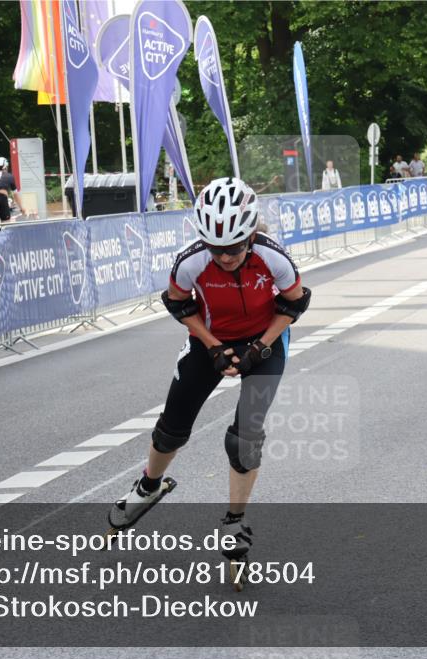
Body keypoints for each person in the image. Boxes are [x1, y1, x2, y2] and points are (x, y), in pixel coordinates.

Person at [108, 176, 311, 571]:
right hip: (210, 338)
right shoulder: (191, 260)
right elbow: (179, 305)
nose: (226, 257)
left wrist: (259, 348)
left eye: (234, 247)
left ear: (250, 234)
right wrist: (214, 346)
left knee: (245, 440)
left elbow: (295, 305)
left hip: (265, 339)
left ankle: (234, 522)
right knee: (172, 428)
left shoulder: (274, 258)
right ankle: (149, 486)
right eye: (217, 248)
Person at [0, 157, 24, 223]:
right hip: (1, 198)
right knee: (6, 223)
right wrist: (21, 208)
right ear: (5, 167)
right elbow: (15, 194)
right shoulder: (9, 176)